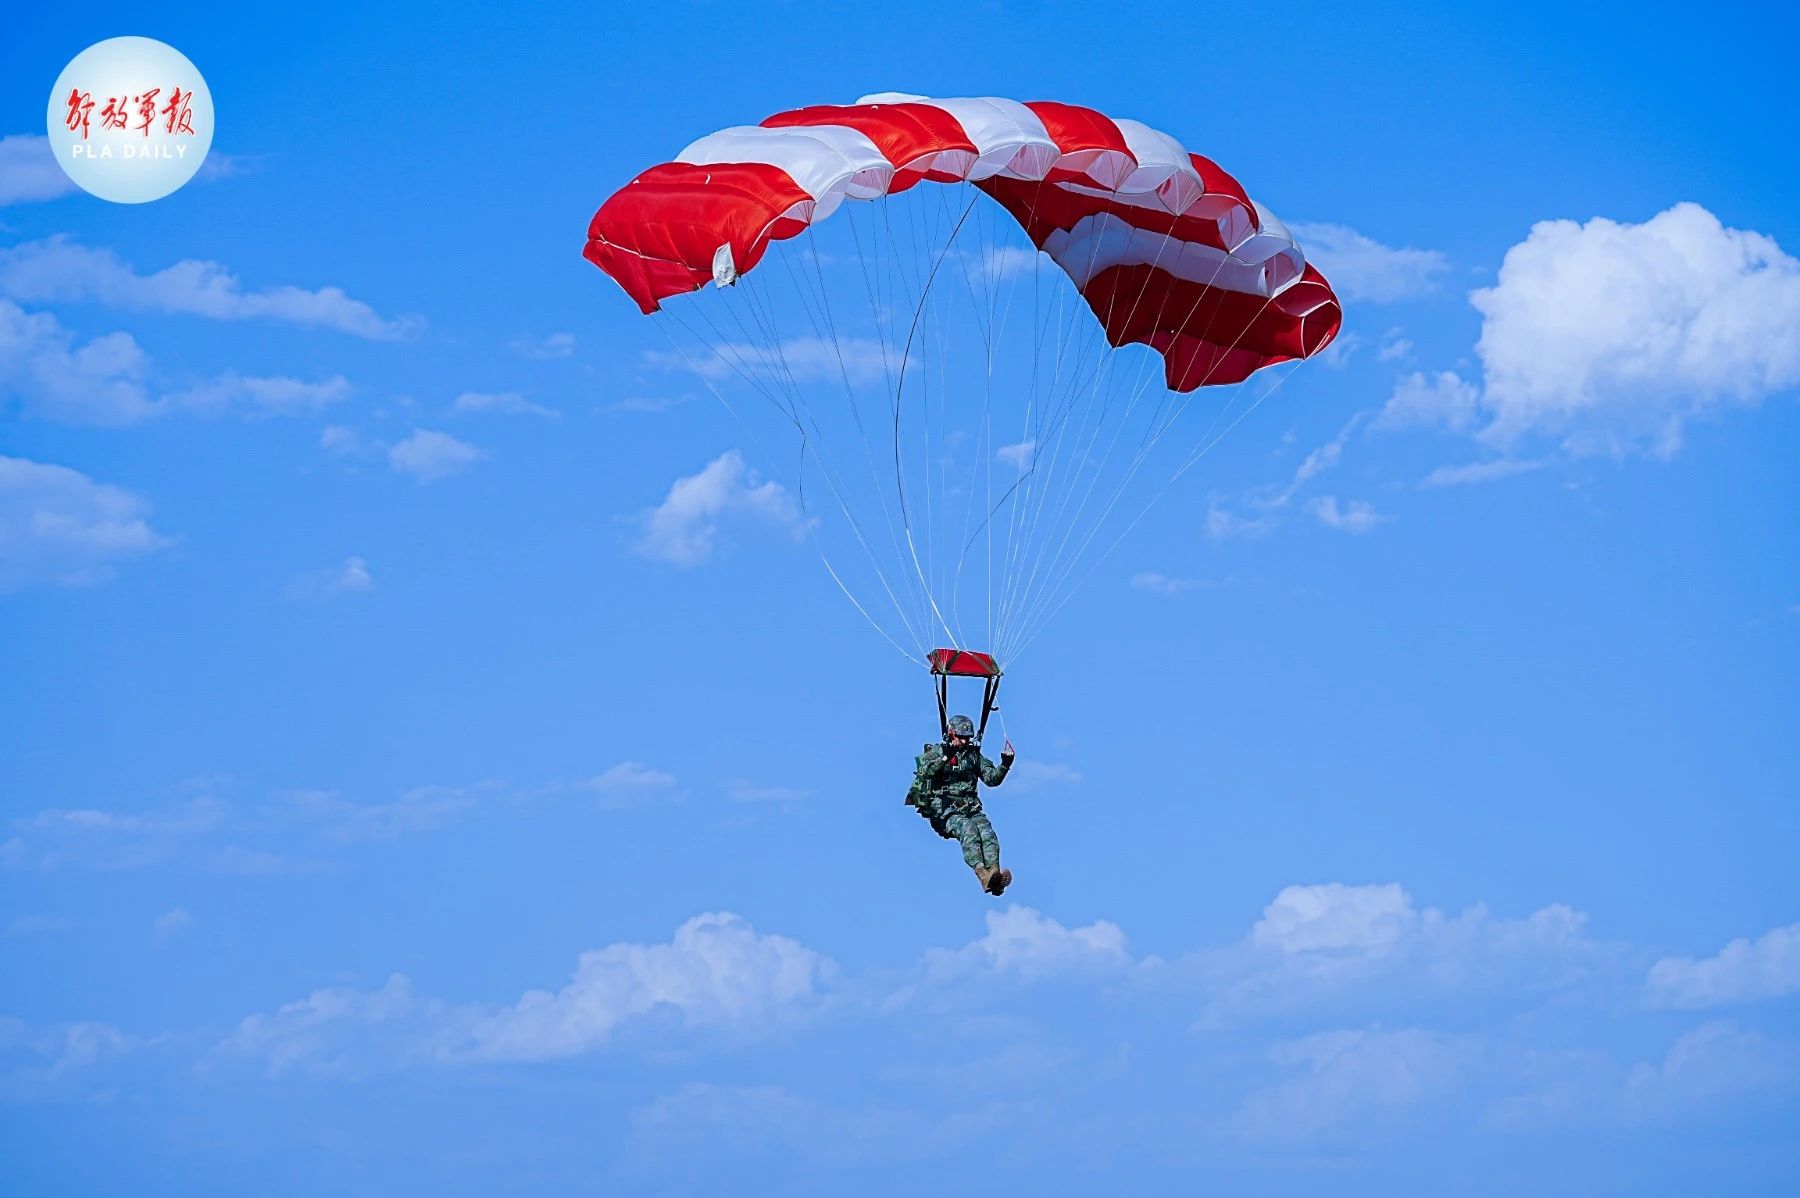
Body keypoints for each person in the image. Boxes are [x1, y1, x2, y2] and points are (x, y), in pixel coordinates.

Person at [906, 713, 1016, 894]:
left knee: (988, 834)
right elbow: (926, 771)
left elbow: (991, 780)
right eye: (961, 737)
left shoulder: (973, 756)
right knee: (969, 831)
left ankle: (994, 876)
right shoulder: (938, 752)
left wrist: (1004, 765)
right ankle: (983, 875)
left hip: (970, 808)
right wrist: (945, 757)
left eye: (967, 738)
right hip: (944, 810)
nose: (965, 742)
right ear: (951, 734)